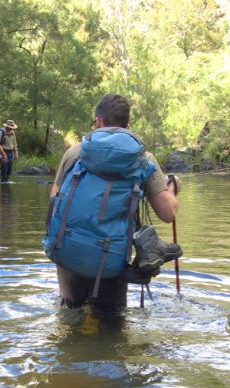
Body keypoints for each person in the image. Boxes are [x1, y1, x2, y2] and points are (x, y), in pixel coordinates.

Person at [48, 93, 181, 314]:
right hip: (110, 259)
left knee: (69, 318)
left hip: (68, 254)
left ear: (98, 122)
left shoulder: (75, 152)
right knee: (110, 326)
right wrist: (172, 188)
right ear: (127, 126)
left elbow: (54, 202)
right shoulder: (143, 159)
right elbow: (168, 213)